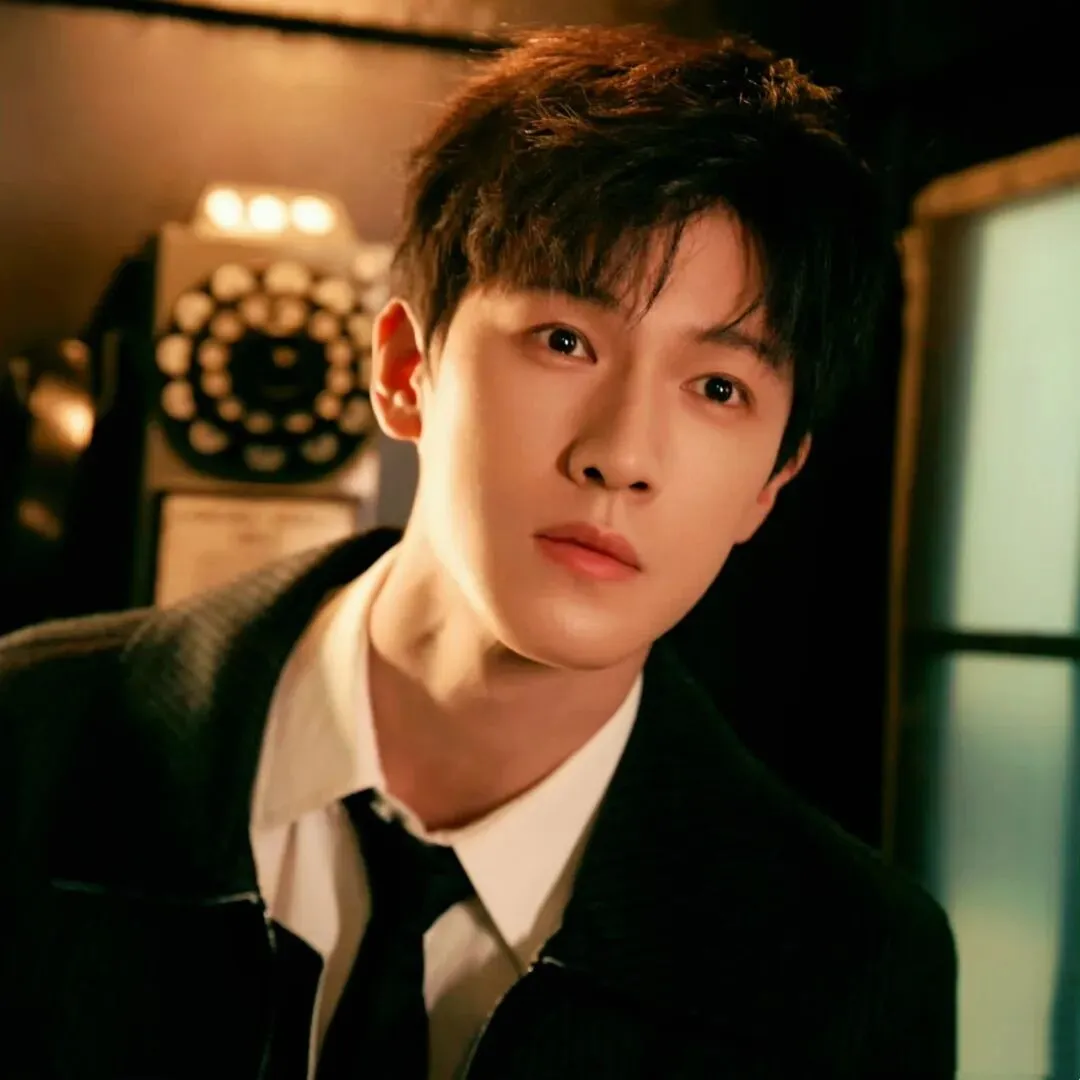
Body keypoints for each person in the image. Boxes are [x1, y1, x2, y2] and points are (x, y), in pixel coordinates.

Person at [0, 23, 956, 1080]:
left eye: (718, 388)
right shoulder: (28, 739)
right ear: (406, 371)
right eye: (565, 341)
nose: (621, 455)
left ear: (772, 483)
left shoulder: (850, 966)